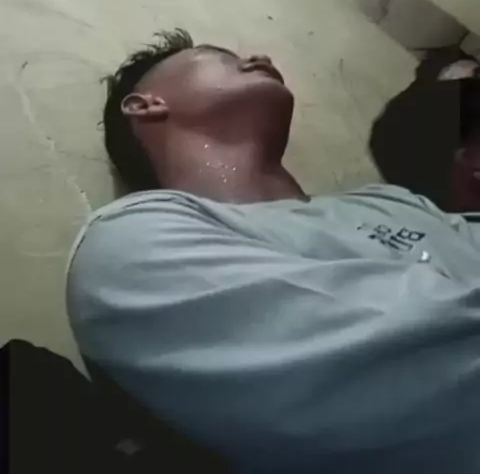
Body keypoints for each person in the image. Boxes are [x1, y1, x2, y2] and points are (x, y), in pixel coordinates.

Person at [67, 30, 480, 473]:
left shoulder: (393, 202)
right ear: (145, 104)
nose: (258, 56)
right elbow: (403, 385)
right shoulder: (133, 239)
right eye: (221, 57)